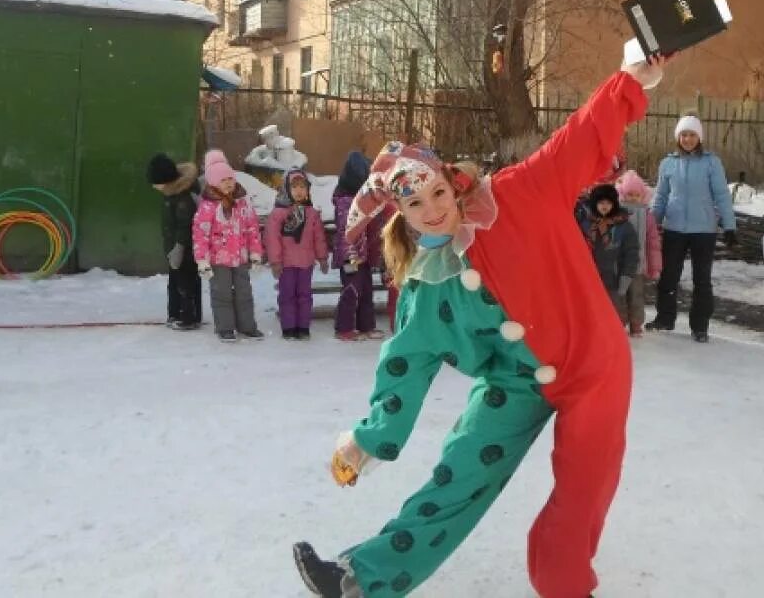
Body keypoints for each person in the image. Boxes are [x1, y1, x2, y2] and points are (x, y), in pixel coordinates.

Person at [292, 55, 666, 598]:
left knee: (580, 491)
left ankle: (564, 586)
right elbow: (403, 367)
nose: (433, 209)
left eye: (437, 193)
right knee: (458, 473)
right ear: (402, 214)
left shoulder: (518, 194)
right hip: (516, 383)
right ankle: (360, 577)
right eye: (415, 203)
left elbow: (579, 136)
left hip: (593, 366)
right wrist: (366, 441)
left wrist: (629, 80)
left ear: (450, 182)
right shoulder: (427, 289)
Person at [646, 115, 736, 342]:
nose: (687, 139)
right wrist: (652, 223)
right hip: (674, 228)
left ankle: (700, 326)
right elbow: (661, 196)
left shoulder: (711, 162)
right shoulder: (668, 163)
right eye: (684, 135)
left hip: (703, 230)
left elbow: (722, 196)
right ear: (678, 137)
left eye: (692, 135)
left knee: (702, 280)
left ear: (699, 137)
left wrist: (729, 226)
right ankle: (665, 318)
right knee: (668, 276)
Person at [192, 149, 264, 342]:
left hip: (240, 257)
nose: (229, 183)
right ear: (214, 182)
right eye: (223, 180)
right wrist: (202, 260)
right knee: (221, 294)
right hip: (218, 260)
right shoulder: (207, 207)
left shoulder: (242, 202)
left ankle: (247, 326)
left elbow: (252, 228)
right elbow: (200, 234)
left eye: (231, 178)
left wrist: (255, 253)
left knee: (244, 293)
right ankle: (225, 327)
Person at [265, 168, 329, 340]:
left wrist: (322, 257)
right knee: (287, 295)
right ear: (286, 189)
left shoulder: (311, 213)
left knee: (304, 295)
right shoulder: (279, 213)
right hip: (286, 263)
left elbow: (319, 237)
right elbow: (272, 239)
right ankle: (288, 326)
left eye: (303, 187)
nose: (299, 191)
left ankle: (303, 326)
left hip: (306, 263)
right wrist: (275, 261)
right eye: (294, 187)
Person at [332, 151, 385, 341]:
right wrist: (350, 254)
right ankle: (344, 328)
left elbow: (372, 227)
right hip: (352, 256)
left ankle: (366, 326)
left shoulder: (366, 199)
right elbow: (346, 231)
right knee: (351, 291)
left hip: (364, 255)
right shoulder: (346, 201)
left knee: (366, 291)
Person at [146, 153, 202, 330]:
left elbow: (185, 226)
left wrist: (179, 247)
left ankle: (189, 317)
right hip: (174, 249)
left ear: (167, 180)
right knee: (175, 282)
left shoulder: (183, 198)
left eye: (157, 183)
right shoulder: (171, 193)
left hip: (186, 249)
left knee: (186, 283)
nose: (155, 187)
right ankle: (175, 313)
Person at [577, 184, 640, 332]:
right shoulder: (585, 225)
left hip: (613, 276)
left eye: (608, 203)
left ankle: (614, 333)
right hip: (589, 275)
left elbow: (631, 252)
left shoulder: (624, 226)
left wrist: (626, 275)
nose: (605, 206)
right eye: (601, 203)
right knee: (588, 309)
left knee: (613, 313)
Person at [614, 169, 663, 336]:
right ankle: (618, 323)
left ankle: (636, 324)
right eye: (629, 194)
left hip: (637, 266)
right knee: (619, 296)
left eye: (636, 194)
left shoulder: (647, 216)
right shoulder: (616, 214)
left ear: (642, 195)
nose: (633, 198)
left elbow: (653, 243)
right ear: (622, 194)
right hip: (618, 266)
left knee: (637, 296)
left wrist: (654, 266)